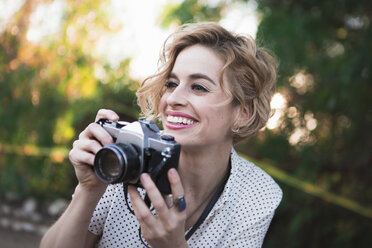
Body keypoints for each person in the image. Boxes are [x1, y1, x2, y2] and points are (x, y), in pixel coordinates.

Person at [40, 22, 282, 248]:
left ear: (243, 113)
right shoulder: (128, 156)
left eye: (199, 87)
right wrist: (88, 190)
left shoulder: (257, 195)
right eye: (171, 84)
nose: (173, 99)